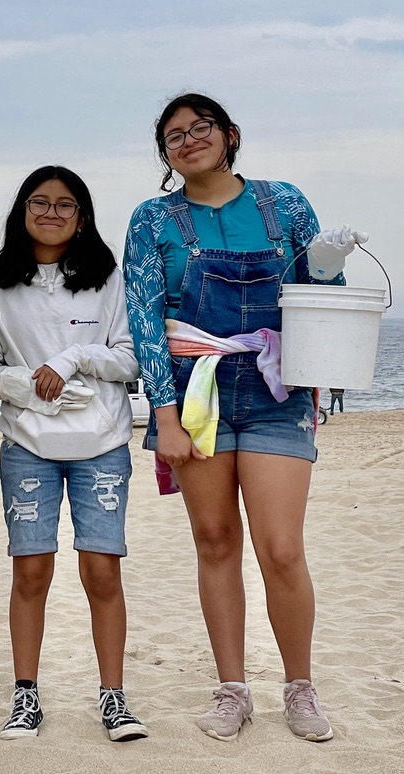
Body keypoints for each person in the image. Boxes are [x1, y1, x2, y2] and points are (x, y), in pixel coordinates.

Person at [124, 93, 364, 743]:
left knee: (281, 549)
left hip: (274, 389)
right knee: (215, 542)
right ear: (166, 155)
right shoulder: (151, 219)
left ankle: (298, 687)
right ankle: (232, 689)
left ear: (228, 135)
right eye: (172, 136)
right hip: (193, 391)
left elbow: (318, 301)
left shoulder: (282, 203)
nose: (187, 140)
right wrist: (163, 417)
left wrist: (326, 265)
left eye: (199, 127)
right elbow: (144, 319)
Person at [0, 166, 148, 742]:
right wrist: (25, 384)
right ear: (22, 210)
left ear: (82, 216)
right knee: (31, 570)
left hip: (101, 444)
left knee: (101, 570)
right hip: (27, 444)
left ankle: (114, 696)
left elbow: (131, 359)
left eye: (65, 205)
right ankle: (26, 695)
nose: (51, 213)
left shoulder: (108, 280)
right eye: (40, 202)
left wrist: (75, 357)